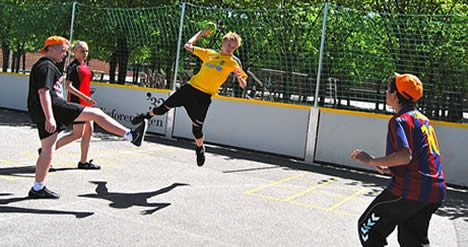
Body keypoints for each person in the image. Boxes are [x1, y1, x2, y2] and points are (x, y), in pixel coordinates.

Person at [27, 36, 148, 199]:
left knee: (48, 148)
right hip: (54, 108)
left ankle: (37, 187)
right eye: (62, 50)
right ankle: (132, 135)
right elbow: (43, 92)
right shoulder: (46, 66)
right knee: (97, 114)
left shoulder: (47, 65)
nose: (65, 54)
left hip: (46, 110)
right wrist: (49, 117)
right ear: (50, 50)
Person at [350, 73, 446, 247]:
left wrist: (371, 160)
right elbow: (421, 158)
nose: (386, 92)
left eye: (389, 89)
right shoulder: (424, 121)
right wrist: (390, 169)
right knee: (412, 240)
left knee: (367, 228)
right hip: (434, 190)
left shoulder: (400, 121)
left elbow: (404, 156)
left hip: (412, 190)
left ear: (395, 95)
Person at [132, 29, 247, 166]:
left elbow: (243, 85)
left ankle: (199, 148)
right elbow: (187, 46)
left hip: (204, 97)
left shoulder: (233, 62)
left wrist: (240, 79)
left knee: (196, 129)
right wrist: (201, 33)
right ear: (223, 43)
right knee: (162, 109)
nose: (230, 49)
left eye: (233, 48)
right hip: (190, 89)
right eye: (228, 45)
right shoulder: (209, 54)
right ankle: (146, 116)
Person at [53, 41, 100, 169]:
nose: (85, 54)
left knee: (89, 132)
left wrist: (87, 94)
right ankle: (47, 150)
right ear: (74, 52)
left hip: (86, 103)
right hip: (77, 104)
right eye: (82, 51)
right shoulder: (73, 67)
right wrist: (85, 97)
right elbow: (68, 86)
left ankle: (83, 162)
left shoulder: (84, 66)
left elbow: (83, 84)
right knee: (77, 134)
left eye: (86, 51)